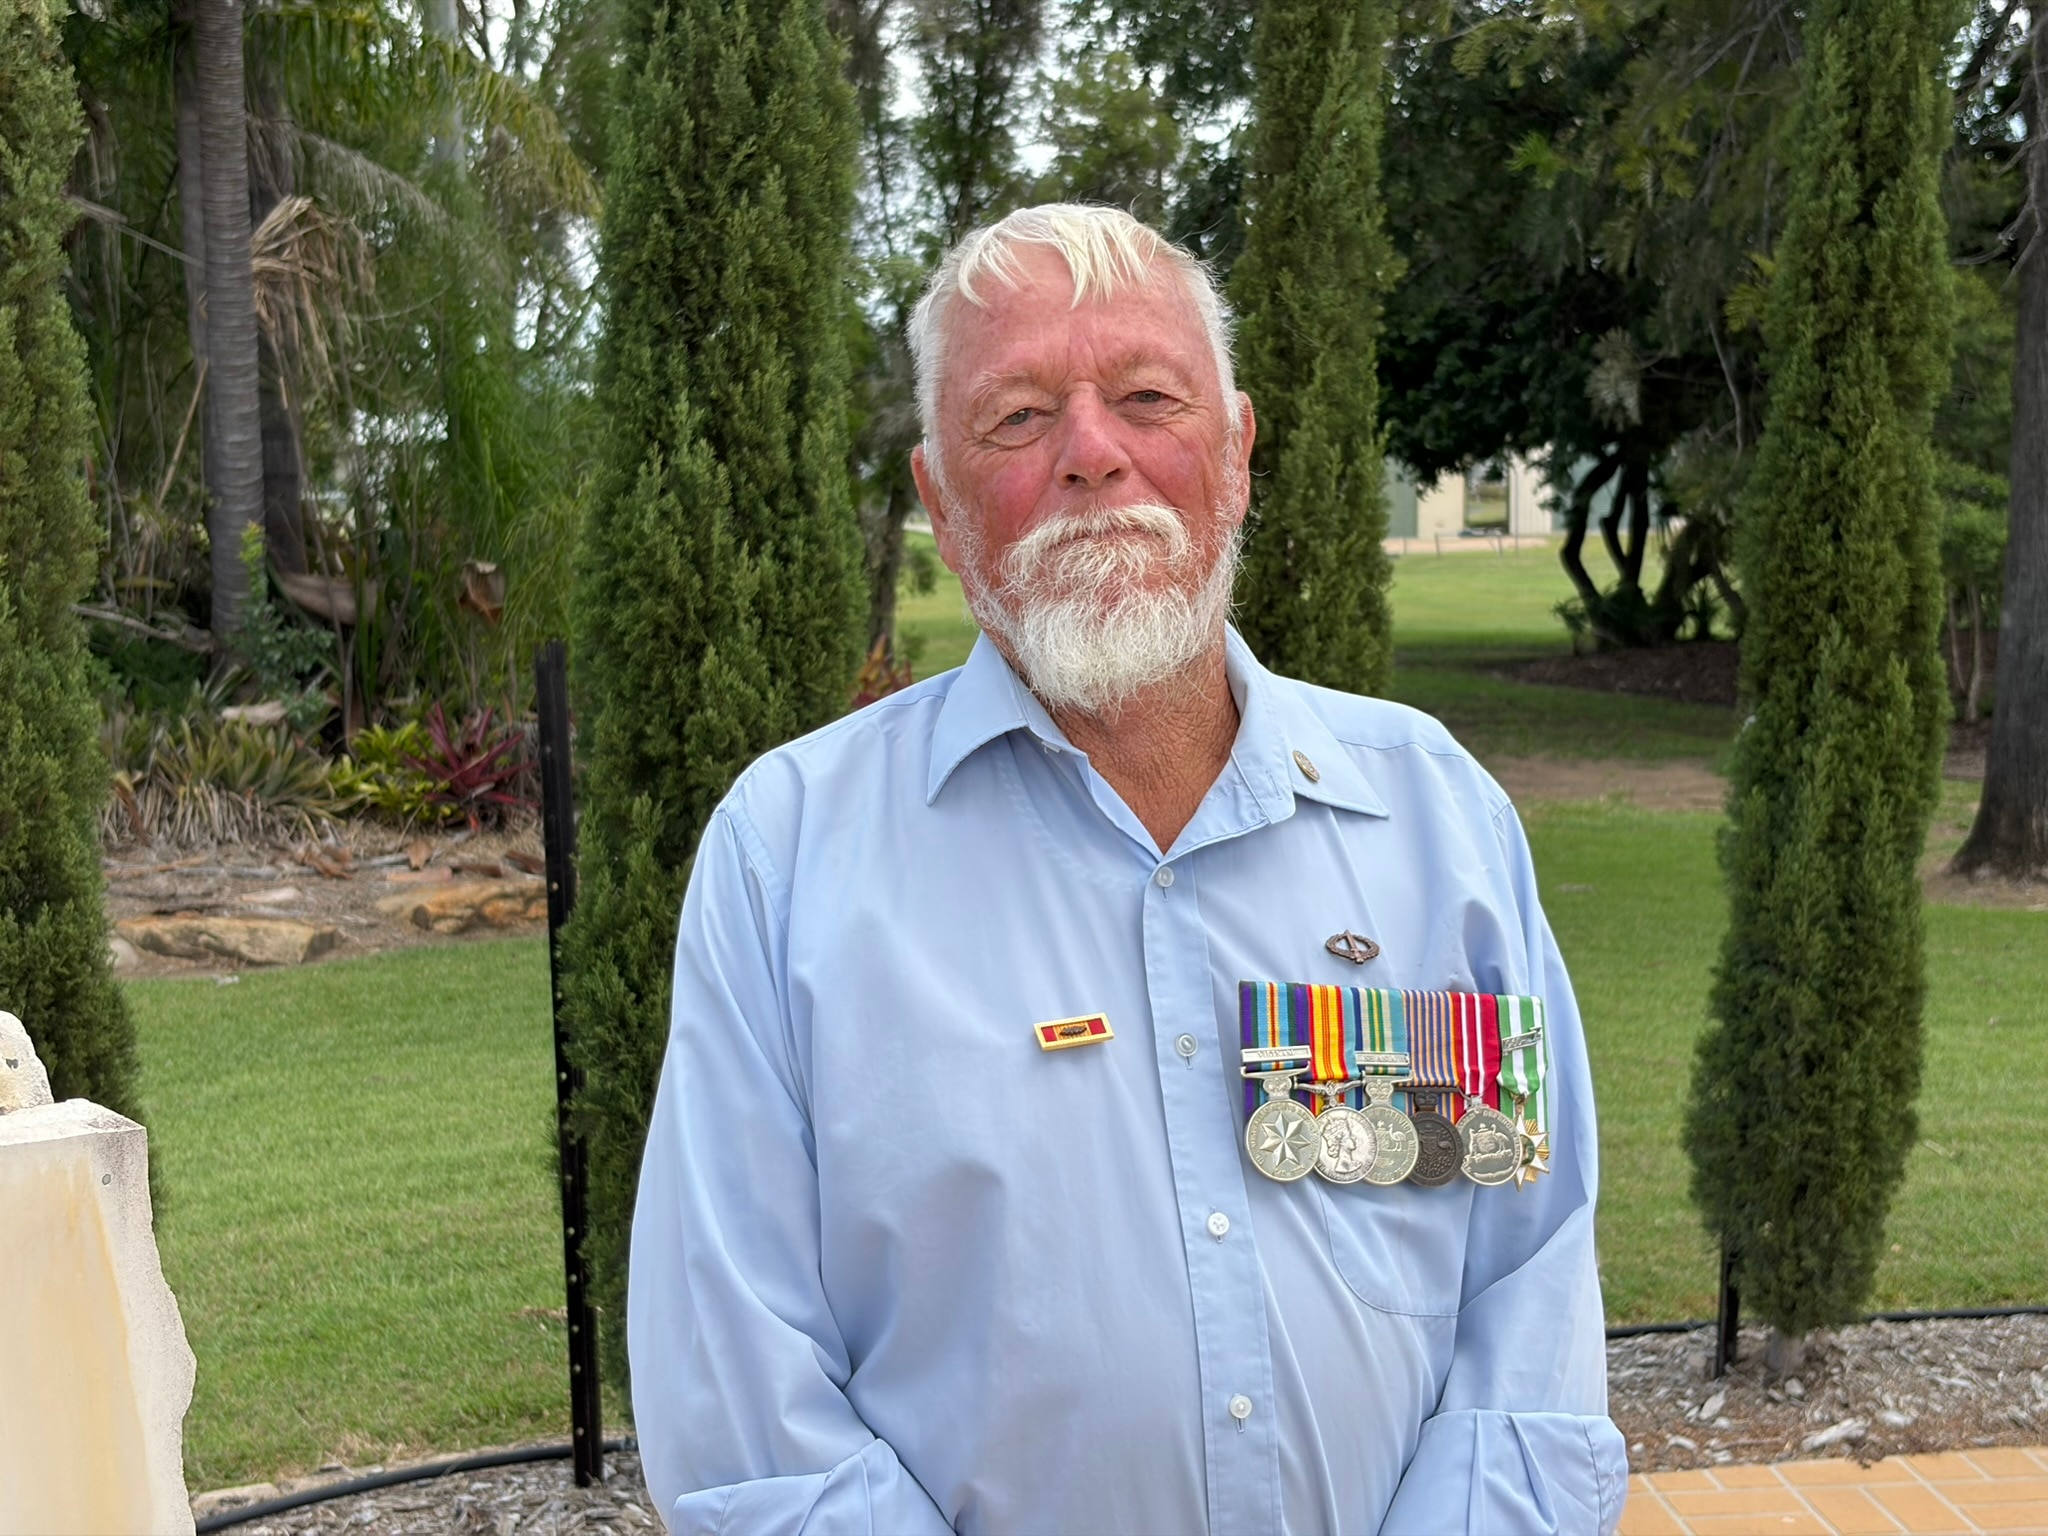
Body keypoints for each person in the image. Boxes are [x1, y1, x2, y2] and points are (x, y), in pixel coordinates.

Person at [627, 204, 1627, 1534]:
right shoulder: (789, 857)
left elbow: (1527, 1283)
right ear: (936, 495)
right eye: (1018, 418)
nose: (1093, 454)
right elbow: (746, 1398)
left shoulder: (1432, 818)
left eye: (1148, 396)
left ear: (1237, 450)